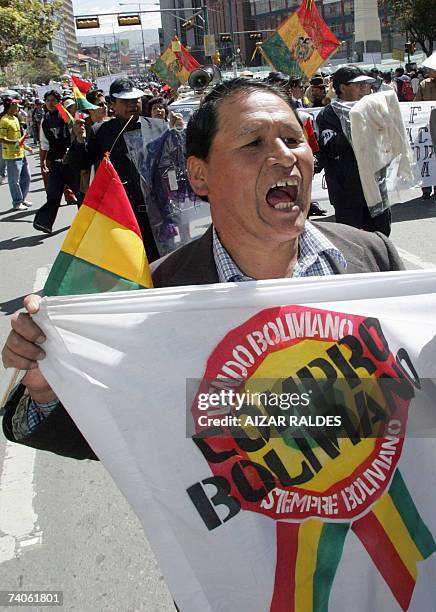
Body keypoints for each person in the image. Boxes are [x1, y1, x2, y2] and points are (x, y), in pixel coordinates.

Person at [1, 78, 404, 458]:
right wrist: (51, 387)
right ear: (199, 174)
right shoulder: (154, 298)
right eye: (253, 143)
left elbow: (413, 401)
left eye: (294, 139)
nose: (284, 155)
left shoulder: (373, 259)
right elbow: (120, 435)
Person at [68, 78, 182, 263]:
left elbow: (176, 164)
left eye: (135, 100)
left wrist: (178, 133)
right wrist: (79, 140)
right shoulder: (100, 131)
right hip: (121, 216)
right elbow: (79, 163)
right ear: (112, 104)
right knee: (130, 267)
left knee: (163, 266)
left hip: (158, 214)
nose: (132, 105)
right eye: (125, 101)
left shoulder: (158, 126)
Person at [316, 66, 392, 236]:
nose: (364, 88)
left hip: (375, 189)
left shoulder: (373, 110)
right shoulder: (328, 115)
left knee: (382, 236)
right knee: (352, 243)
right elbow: (332, 147)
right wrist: (357, 125)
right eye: (358, 84)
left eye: (366, 84)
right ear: (342, 88)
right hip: (347, 193)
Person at [32, 90, 80, 234]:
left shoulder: (66, 116)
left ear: (58, 102)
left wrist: (71, 151)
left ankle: (87, 222)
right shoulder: (44, 120)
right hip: (56, 164)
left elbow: (74, 134)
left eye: (53, 100)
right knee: (53, 194)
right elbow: (44, 144)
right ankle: (44, 223)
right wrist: (43, 162)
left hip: (71, 163)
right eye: (47, 101)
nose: (50, 103)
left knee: (80, 193)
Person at [0, 98, 32, 211]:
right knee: (14, 181)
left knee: (27, 177)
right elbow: (1, 138)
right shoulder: (4, 120)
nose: (18, 107)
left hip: (21, 153)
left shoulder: (15, 118)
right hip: (11, 155)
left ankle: (22, 198)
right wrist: (15, 142)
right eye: (16, 105)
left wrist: (26, 147)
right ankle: (17, 202)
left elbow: (19, 138)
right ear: (11, 105)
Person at [414, 51, 436, 199]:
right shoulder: (424, 84)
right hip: (428, 127)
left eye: (431, 69)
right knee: (426, 157)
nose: (428, 71)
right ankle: (426, 187)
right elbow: (416, 105)